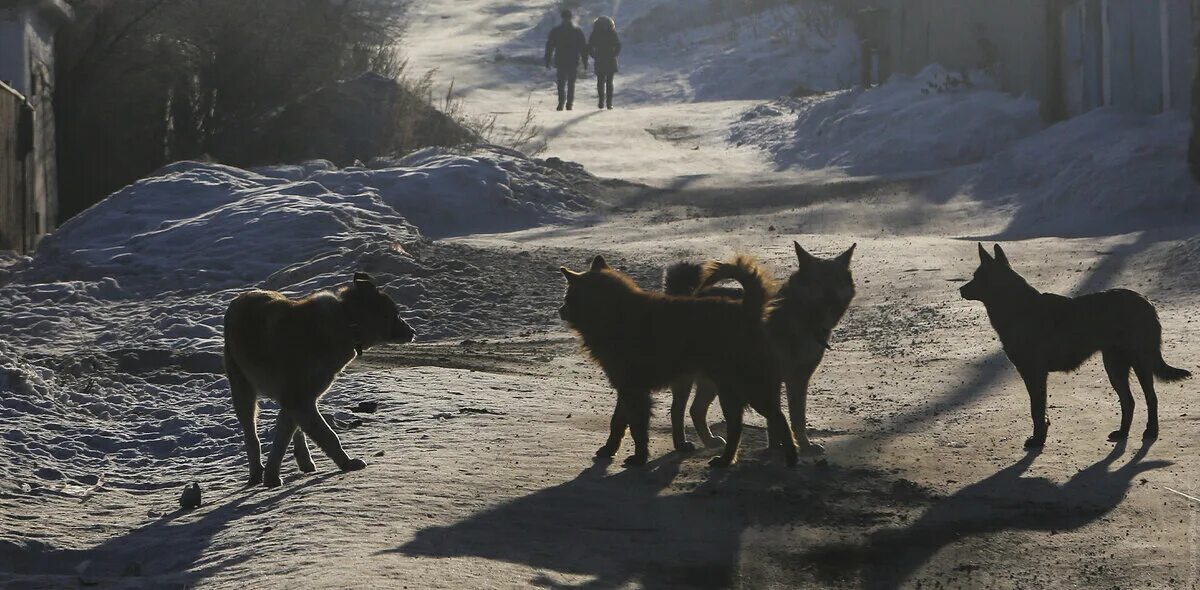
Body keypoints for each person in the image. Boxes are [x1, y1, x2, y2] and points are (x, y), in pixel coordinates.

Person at [544, 9, 588, 111]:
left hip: (562, 60)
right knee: (569, 83)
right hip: (571, 60)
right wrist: (585, 61)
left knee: (562, 83)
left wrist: (547, 59)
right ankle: (568, 103)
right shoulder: (577, 31)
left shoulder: (557, 31)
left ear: (562, 18)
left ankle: (562, 103)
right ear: (570, 18)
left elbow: (550, 46)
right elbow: (583, 48)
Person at [588, 16, 621, 110]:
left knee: (601, 81)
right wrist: (614, 54)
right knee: (608, 82)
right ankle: (608, 103)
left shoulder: (595, 33)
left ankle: (602, 101)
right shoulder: (612, 33)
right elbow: (618, 45)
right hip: (609, 58)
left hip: (600, 58)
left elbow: (589, 46)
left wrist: (594, 55)